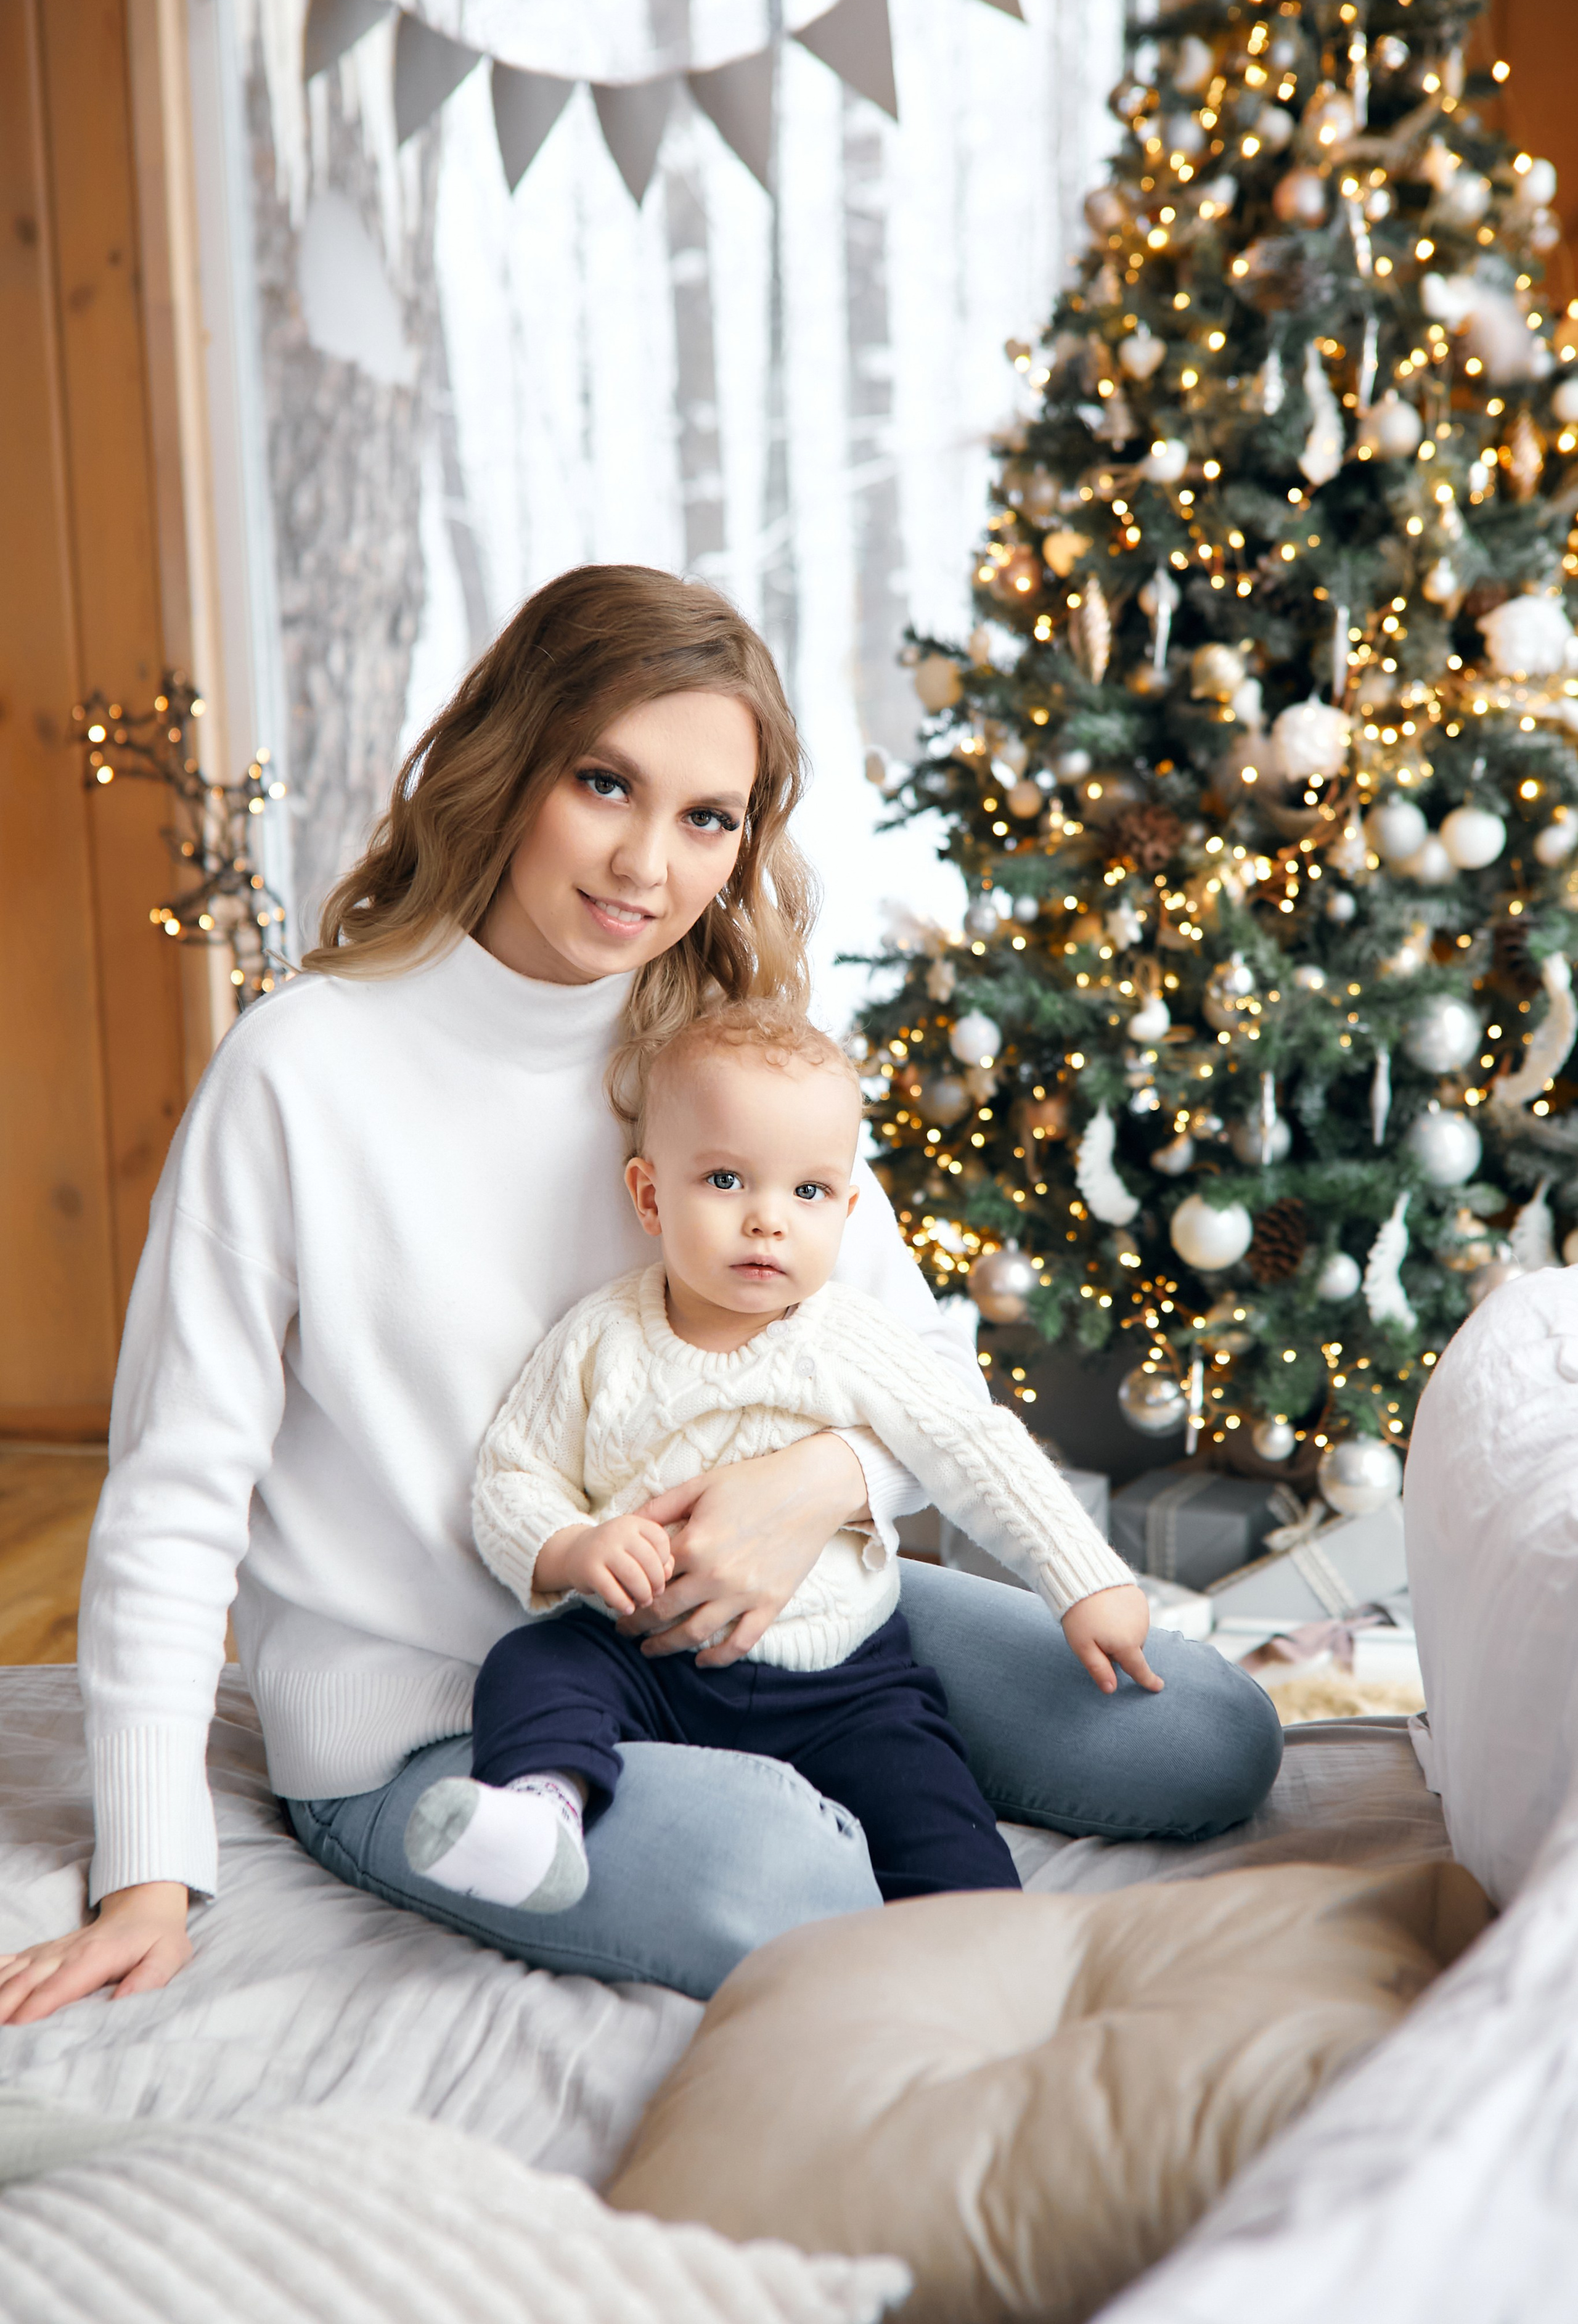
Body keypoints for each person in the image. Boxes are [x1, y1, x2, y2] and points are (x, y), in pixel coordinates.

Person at [0, 565, 1282, 2021]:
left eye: (706, 818)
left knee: (1204, 1733)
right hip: (455, 1709)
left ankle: (834, 1743)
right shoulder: (300, 1071)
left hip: (775, 1629)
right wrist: (147, 1871)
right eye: (603, 784)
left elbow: (917, 1370)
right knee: (790, 1874)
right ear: (506, 764)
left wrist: (810, 1490)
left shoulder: (714, 1060)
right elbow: (176, 1488)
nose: (643, 864)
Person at [407, 998, 1159, 1918]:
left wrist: (1084, 1580)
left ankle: (979, 1940)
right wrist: (570, 1548)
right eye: (726, 1180)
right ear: (650, 1196)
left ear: (847, 1210)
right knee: (533, 1669)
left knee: (941, 1826)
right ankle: (540, 1810)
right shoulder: (601, 1337)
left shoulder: (849, 1338)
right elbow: (515, 1475)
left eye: (808, 1193)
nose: (768, 1221)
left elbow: (975, 1444)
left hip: (843, 1681)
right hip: (641, 1655)